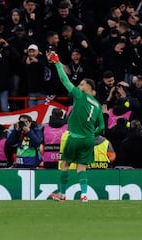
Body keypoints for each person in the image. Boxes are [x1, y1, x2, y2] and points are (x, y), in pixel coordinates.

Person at [48, 51, 105, 202]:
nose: (79, 86)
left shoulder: (81, 96)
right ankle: (84, 195)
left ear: (88, 88)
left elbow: (64, 80)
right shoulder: (98, 106)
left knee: (65, 165)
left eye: (81, 84)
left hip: (75, 137)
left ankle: (61, 194)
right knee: (81, 168)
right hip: (88, 140)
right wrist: (92, 134)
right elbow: (102, 126)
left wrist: (57, 63)